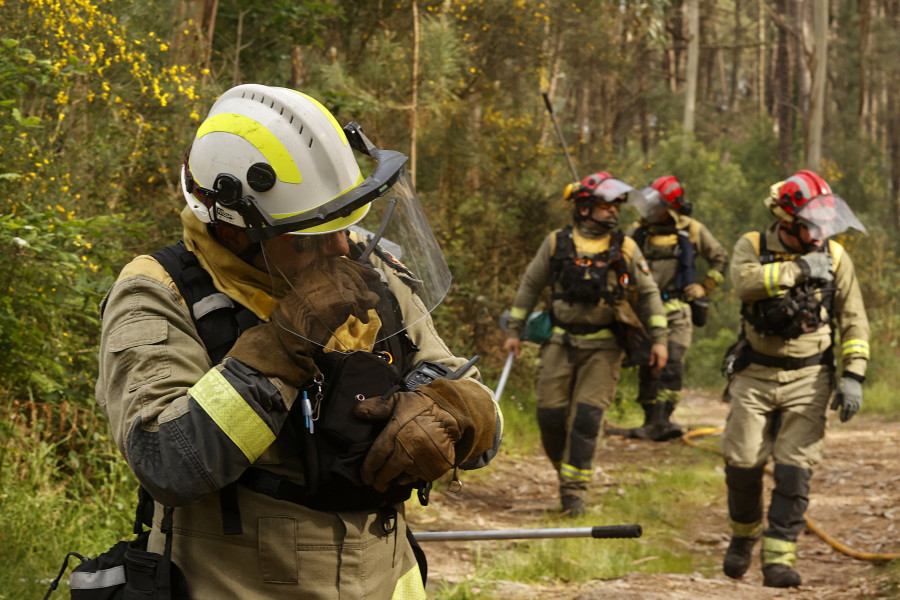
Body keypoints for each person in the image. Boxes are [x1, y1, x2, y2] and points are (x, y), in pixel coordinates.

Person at [94, 84, 502, 599]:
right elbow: (166, 464)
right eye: (310, 233)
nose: (340, 247)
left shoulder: (366, 266)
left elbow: (474, 400)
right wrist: (280, 349)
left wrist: (454, 411)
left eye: (345, 223)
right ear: (237, 231)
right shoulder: (160, 293)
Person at [721, 170, 869, 588]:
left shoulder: (837, 258)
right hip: (755, 374)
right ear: (788, 222)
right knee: (743, 463)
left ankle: (779, 558)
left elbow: (854, 320)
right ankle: (743, 535)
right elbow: (744, 283)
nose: (822, 232)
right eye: (813, 223)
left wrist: (853, 374)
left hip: (810, 378)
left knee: (794, 469)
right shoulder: (752, 245)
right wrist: (799, 270)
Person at [501, 171, 668, 517]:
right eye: (606, 205)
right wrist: (515, 330)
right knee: (549, 416)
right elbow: (530, 287)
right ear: (584, 206)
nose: (613, 211)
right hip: (560, 343)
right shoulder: (556, 243)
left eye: (616, 206)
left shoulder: (625, 247)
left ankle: (574, 494)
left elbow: (650, 295)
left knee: (588, 420)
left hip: (605, 349)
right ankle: (566, 471)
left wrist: (660, 340)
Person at [624, 175, 728, 441]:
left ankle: (664, 419)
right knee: (649, 364)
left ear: (669, 207)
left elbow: (720, 259)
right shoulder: (637, 231)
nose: (650, 210)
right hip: (646, 311)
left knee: (672, 364)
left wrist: (705, 287)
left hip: (678, 309)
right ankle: (650, 421)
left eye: (656, 205)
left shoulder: (691, 230)